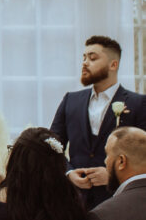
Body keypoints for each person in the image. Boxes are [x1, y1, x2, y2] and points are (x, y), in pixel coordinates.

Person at [50, 36, 146, 209]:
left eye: (92, 58)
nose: (85, 63)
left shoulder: (138, 103)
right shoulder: (70, 100)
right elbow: (53, 145)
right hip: (74, 202)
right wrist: (69, 172)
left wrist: (112, 174)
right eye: (84, 58)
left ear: (113, 65)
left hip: (119, 201)